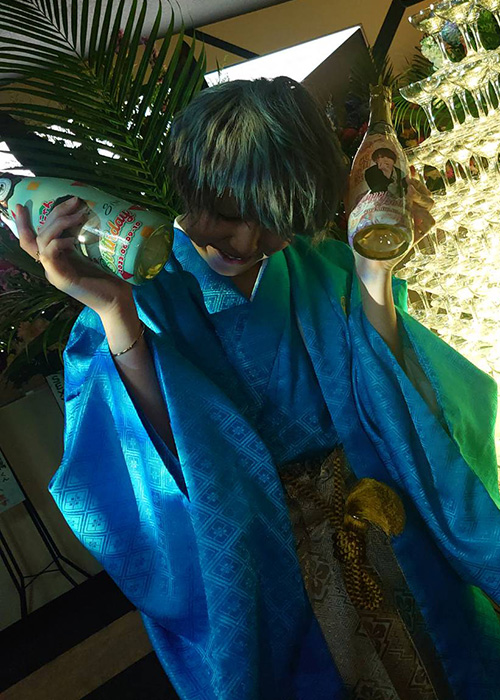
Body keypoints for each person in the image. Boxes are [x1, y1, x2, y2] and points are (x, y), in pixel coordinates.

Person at [15, 77, 500, 700]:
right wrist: (115, 313)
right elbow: (159, 467)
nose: (242, 242)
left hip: (388, 534)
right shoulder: (139, 298)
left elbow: (397, 398)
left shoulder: (324, 270)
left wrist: (374, 276)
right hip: (263, 574)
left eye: (271, 222)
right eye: (223, 214)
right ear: (187, 187)